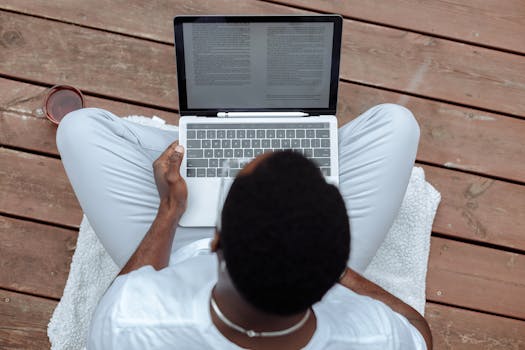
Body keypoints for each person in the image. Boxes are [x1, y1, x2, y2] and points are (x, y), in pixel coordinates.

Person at [56, 104, 432, 349]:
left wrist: (170, 208)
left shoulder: (130, 320)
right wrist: (313, 250)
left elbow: (126, 288)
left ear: (216, 243)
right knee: (397, 123)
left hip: (176, 252)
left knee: (78, 128)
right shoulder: (374, 336)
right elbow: (419, 333)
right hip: (310, 264)